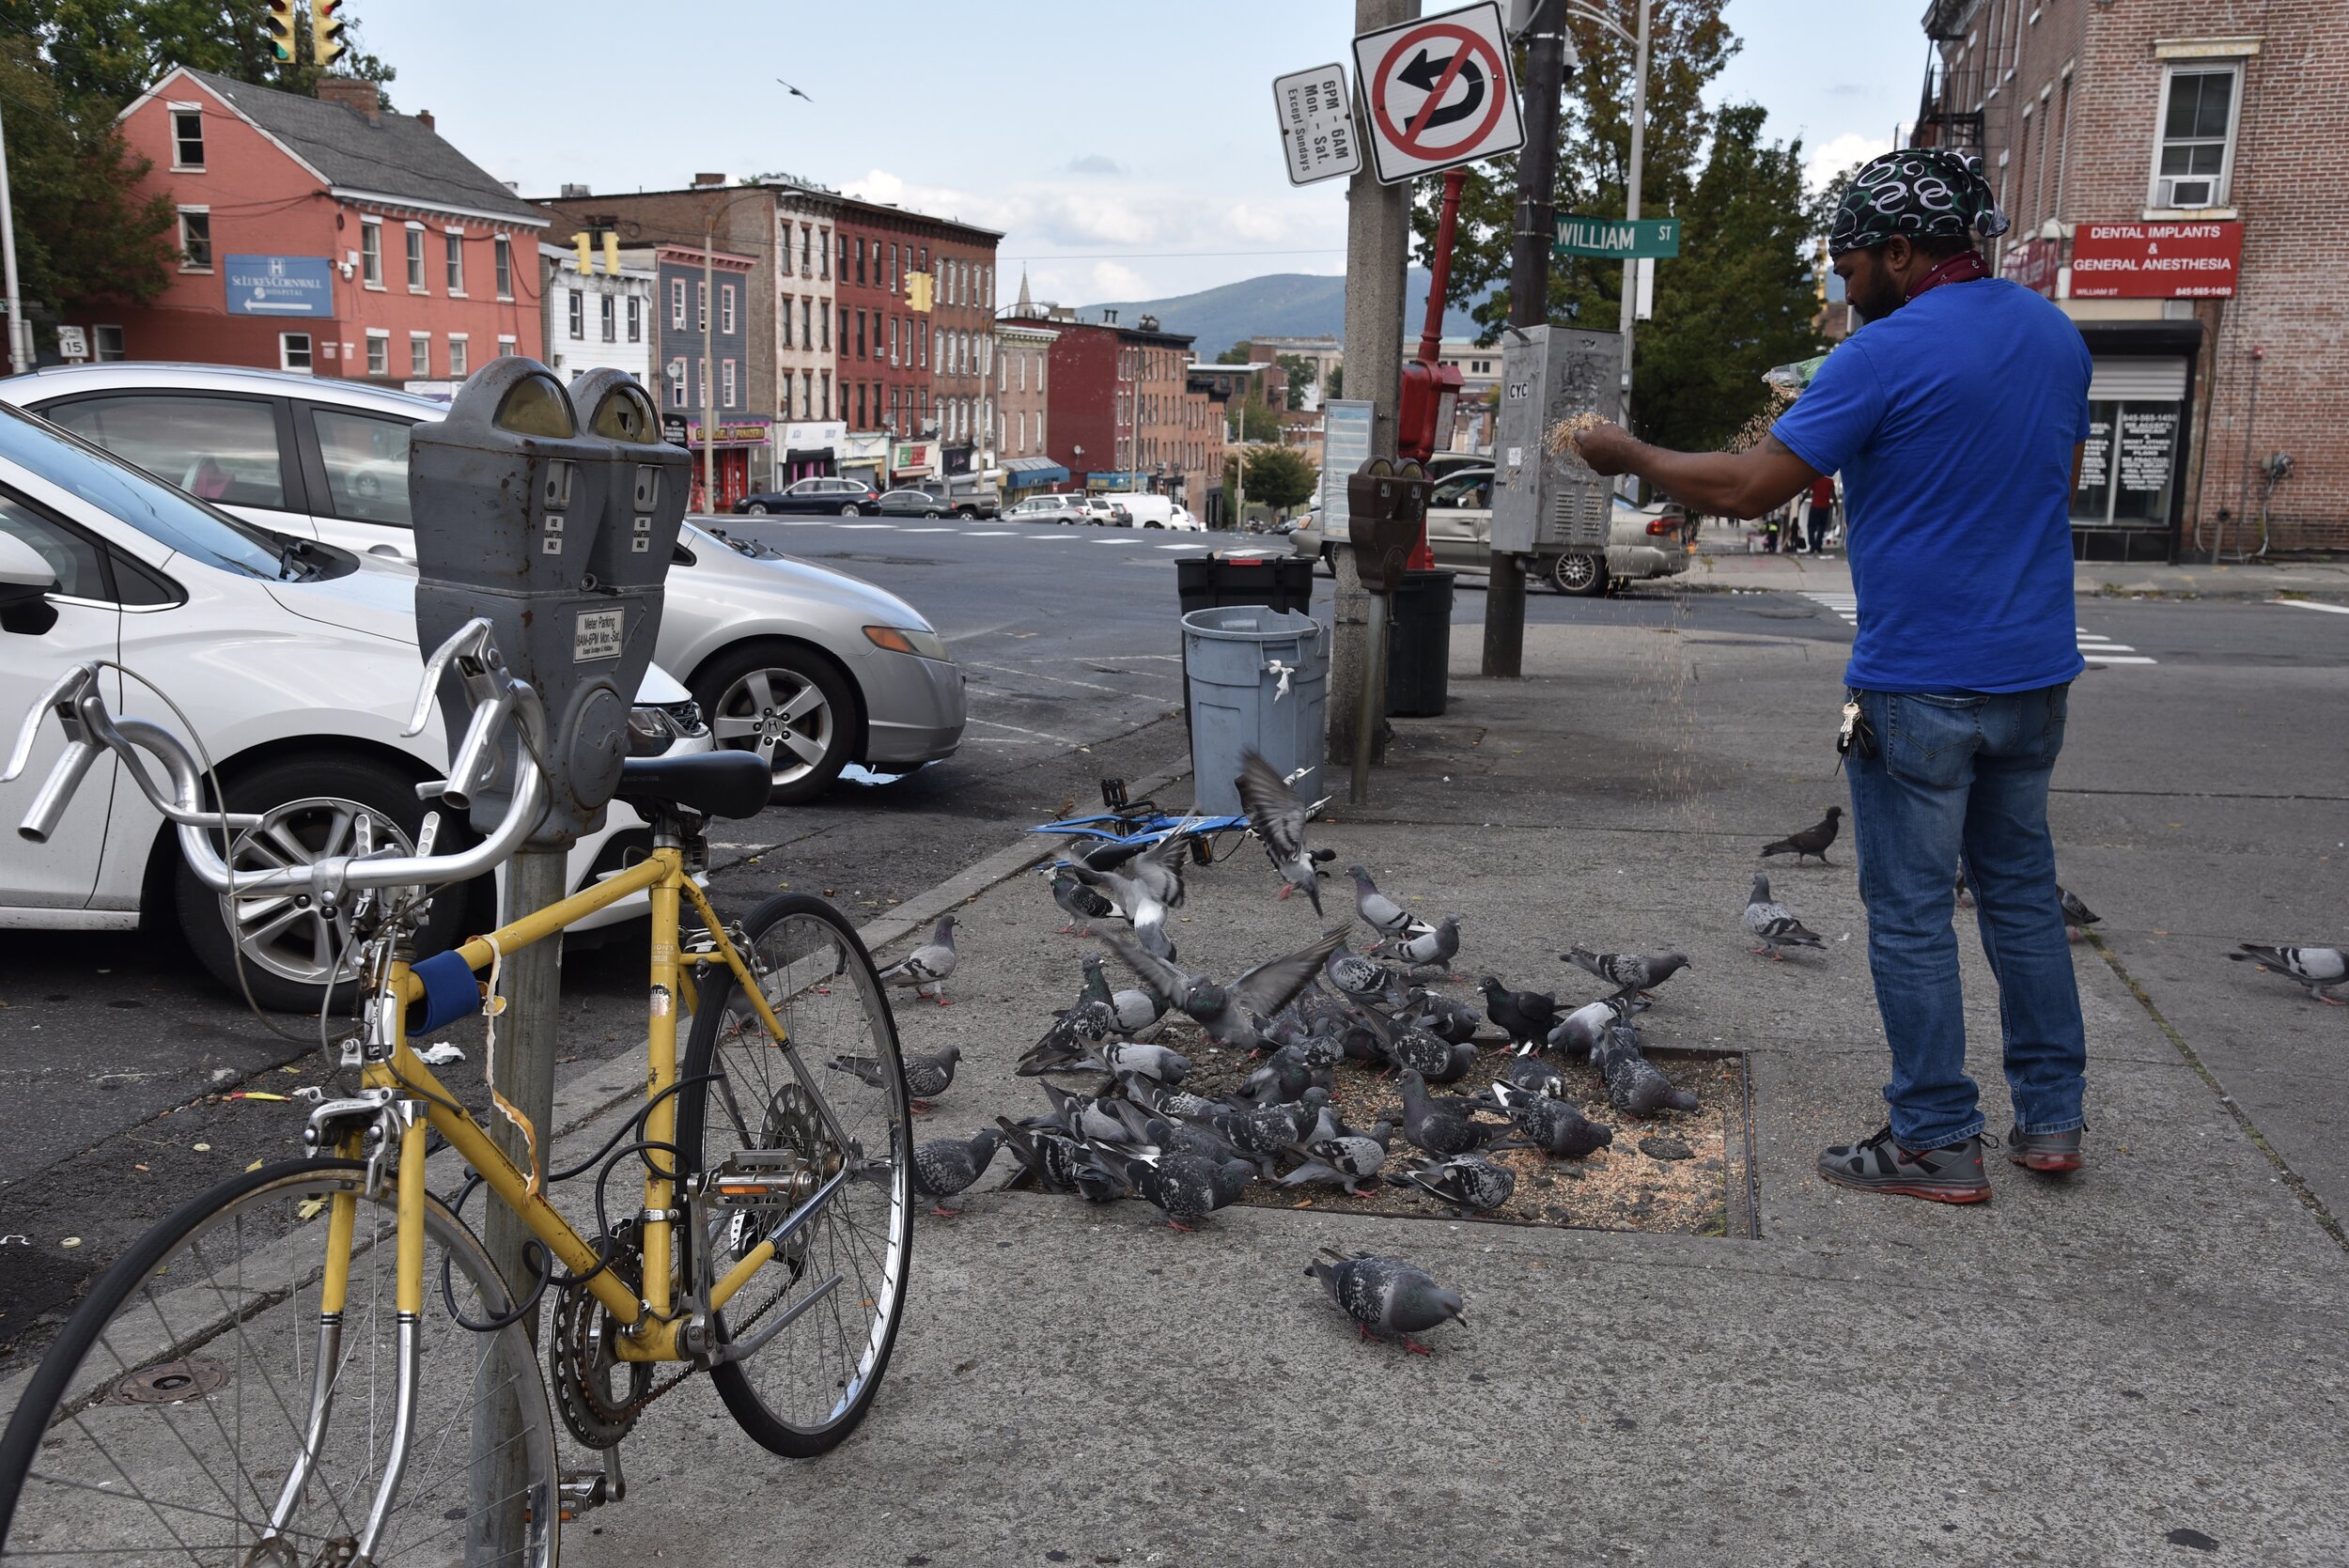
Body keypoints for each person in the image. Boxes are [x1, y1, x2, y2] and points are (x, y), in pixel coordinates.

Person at [1572, 147, 2092, 1204]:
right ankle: (2050, 1118)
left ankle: (1936, 1137)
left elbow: (1753, 486)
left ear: (1901, 252)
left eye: (1849, 266)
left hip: (1918, 680)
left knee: (1907, 911)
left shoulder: (1882, 353)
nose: (1841, 288)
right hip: (2034, 673)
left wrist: (1629, 455)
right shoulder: (2054, 336)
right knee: (2022, 899)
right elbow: (2049, 476)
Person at [1805, 473, 1836, 554]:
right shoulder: (1830, 481)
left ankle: (1812, 545)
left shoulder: (1815, 480)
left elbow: (1808, 492)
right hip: (1825, 507)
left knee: (1811, 526)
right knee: (1822, 527)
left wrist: (1801, 502)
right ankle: (1818, 546)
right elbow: (1833, 495)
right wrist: (1836, 506)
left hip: (1815, 506)